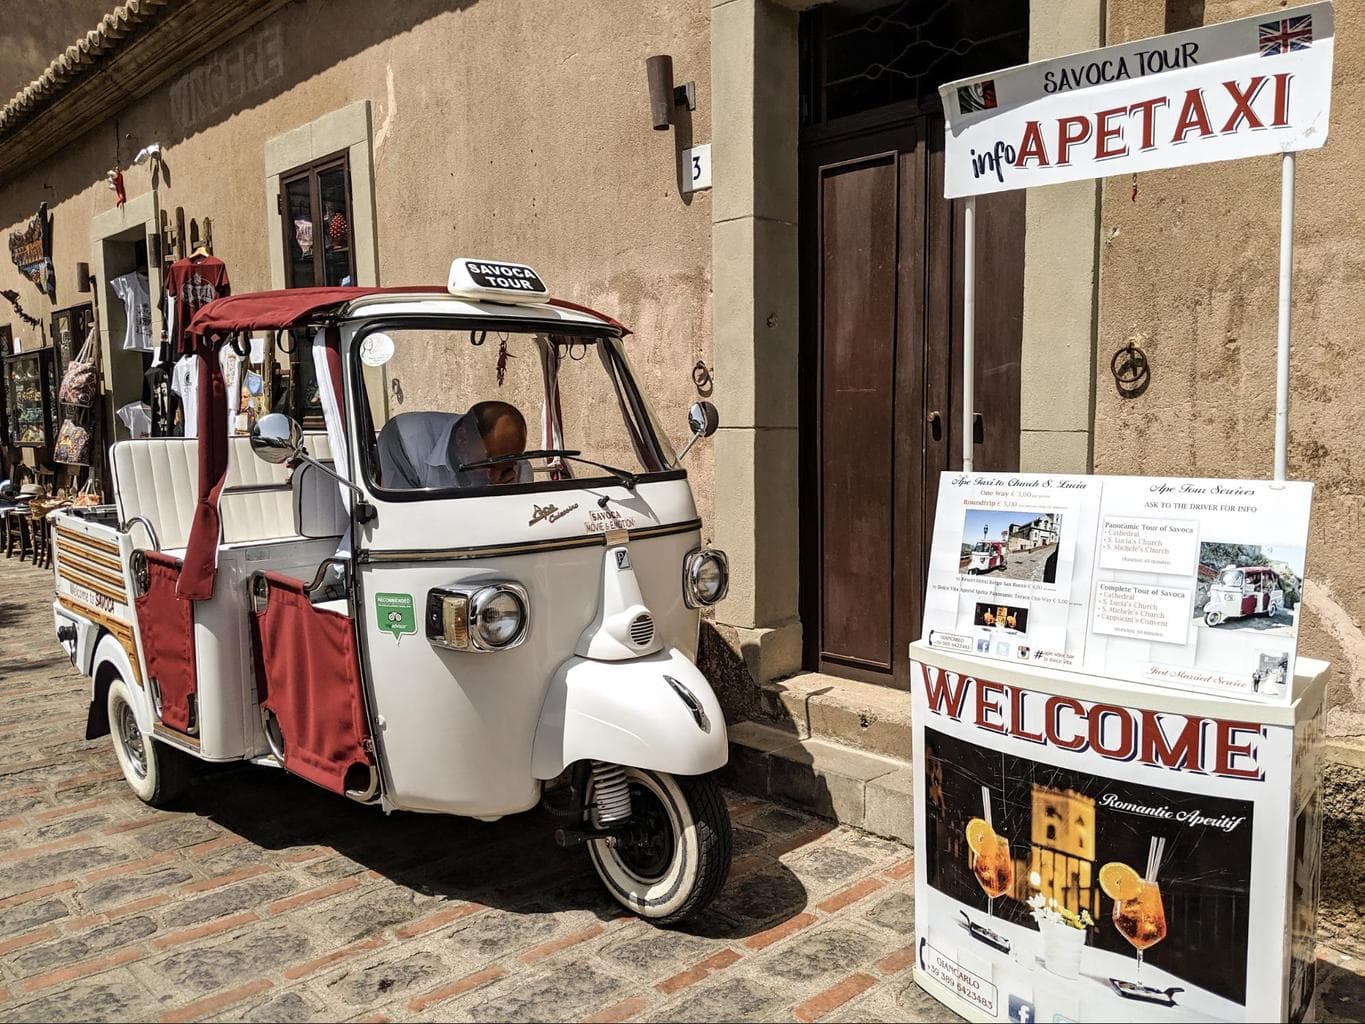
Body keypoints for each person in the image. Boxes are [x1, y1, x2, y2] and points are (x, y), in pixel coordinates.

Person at [377, 400, 528, 489]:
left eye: (507, 467)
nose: (495, 476)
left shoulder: (517, 469)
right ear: (462, 439)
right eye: (489, 464)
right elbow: (403, 521)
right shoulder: (406, 442)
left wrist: (501, 496)